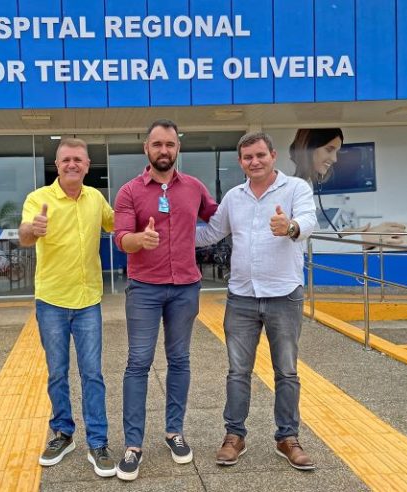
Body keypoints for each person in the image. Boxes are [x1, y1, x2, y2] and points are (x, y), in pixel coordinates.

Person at [196, 132, 317, 471]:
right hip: (242, 298)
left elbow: (308, 222)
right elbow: (211, 233)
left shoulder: (295, 189)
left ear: (273, 155)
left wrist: (289, 227)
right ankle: (234, 436)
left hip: (284, 296)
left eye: (260, 155)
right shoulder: (234, 197)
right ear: (240, 162)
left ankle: (288, 438)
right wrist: (171, 235)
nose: (255, 161)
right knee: (238, 372)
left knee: (287, 371)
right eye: (248, 157)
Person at [113, 119, 218, 481]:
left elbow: (219, 216)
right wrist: (138, 240)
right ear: (146, 148)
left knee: (180, 360)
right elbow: (121, 238)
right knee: (138, 363)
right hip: (144, 289)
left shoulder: (194, 188)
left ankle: (175, 432)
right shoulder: (129, 191)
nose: (163, 150)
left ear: (178, 148)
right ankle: (133, 445)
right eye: (157, 144)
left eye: (169, 144)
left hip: (186, 287)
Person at [18, 138, 116, 478]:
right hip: (51, 301)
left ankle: (98, 442)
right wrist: (33, 229)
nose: (72, 164)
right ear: (57, 165)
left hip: (88, 301)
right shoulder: (38, 199)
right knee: (57, 372)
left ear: (87, 165)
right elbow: (24, 235)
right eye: (65, 160)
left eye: (78, 159)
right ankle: (63, 433)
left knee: (93, 374)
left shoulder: (96, 198)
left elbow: (115, 223)